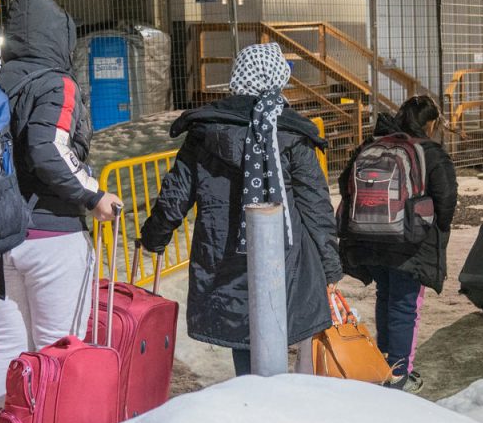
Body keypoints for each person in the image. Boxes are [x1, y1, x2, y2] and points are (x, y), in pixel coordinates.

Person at [139, 42, 340, 375]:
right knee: (290, 333)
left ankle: (253, 403)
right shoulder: (290, 131)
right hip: (288, 258)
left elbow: (175, 194)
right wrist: (330, 267)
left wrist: (154, 237)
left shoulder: (206, 132)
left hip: (225, 256)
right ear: (277, 78)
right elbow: (315, 204)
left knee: (244, 339)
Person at [0, 0, 123, 423]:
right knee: (58, 347)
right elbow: (48, 149)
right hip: (52, 235)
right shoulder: (55, 83)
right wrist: (93, 195)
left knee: (5, 343)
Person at [337, 96, 457, 394]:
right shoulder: (430, 152)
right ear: (430, 124)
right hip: (409, 241)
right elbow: (446, 201)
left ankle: (385, 365)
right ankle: (401, 375)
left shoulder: (372, 145)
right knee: (406, 306)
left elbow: (343, 184)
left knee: (386, 296)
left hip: (369, 236)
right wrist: (433, 228)